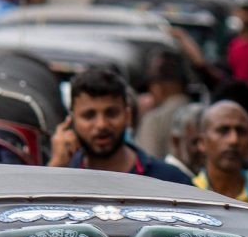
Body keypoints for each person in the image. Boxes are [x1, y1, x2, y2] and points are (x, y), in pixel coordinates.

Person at [50, 66, 192, 181]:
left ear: (128, 116)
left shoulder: (170, 181)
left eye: (111, 113)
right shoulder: (61, 176)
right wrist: (55, 169)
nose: (101, 125)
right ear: (71, 120)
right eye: (89, 116)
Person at [133, 53, 197, 159]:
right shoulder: (204, 114)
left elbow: (148, 164)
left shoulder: (154, 119)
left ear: (160, 86)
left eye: (151, 86)